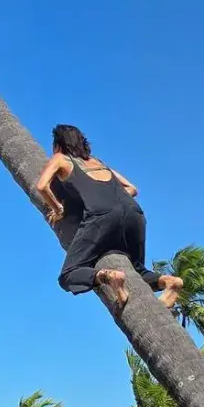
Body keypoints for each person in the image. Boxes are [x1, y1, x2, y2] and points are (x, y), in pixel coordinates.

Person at [35, 124, 183, 308]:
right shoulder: (98, 162)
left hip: (101, 216)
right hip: (134, 214)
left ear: (58, 144)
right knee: (137, 271)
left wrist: (58, 209)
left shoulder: (60, 158)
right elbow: (133, 189)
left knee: (68, 275)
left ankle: (108, 276)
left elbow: (42, 186)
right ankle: (169, 282)